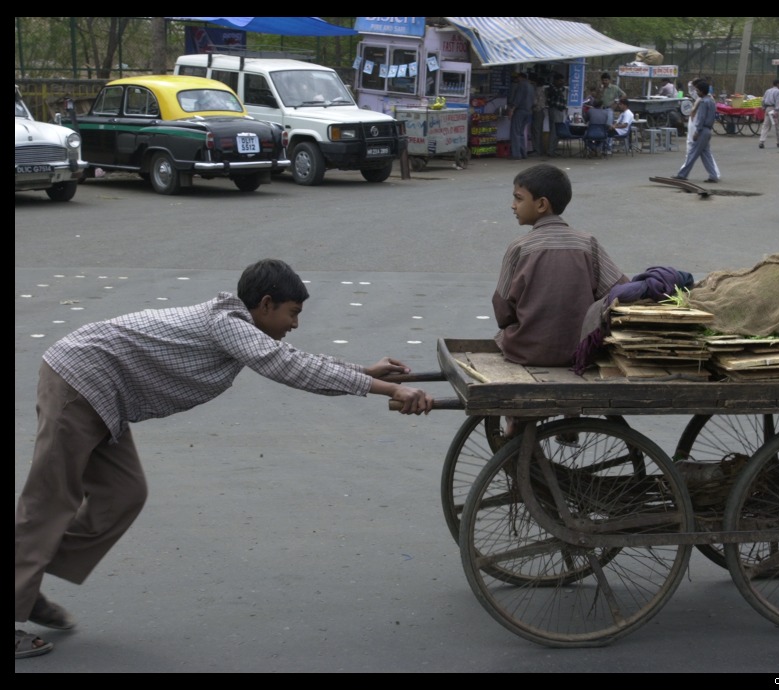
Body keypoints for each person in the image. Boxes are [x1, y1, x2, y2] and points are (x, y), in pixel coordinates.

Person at [14, 259, 434, 659]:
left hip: (105, 395)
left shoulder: (238, 327)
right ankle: (19, 589)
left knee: (124, 494)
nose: (295, 324)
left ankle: (24, 582)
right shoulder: (228, 325)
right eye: (292, 313)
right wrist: (389, 390)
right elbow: (289, 366)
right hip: (80, 379)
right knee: (49, 503)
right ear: (265, 304)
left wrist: (364, 372)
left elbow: (303, 363)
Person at [493, 164, 628, 367]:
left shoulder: (519, 247)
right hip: (581, 351)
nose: (513, 205)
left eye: (518, 198)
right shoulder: (587, 243)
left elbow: (503, 310)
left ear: (541, 205)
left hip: (526, 352)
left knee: (502, 335)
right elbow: (619, 291)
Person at [673, 80, 719, 183]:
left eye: (698, 90)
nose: (697, 92)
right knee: (705, 154)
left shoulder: (703, 102)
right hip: (708, 130)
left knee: (692, 153)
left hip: (702, 131)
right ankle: (713, 175)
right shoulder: (711, 101)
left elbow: (701, 118)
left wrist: (697, 131)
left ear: (702, 92)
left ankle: (682, 175)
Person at [507, 72, 534, 160]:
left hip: (520, 111)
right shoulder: (531, 86)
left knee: (515, 133)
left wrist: (512, 109)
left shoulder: (521, 85)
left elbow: (517, 99)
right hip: (528, 111)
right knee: (522, 133)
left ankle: (516, 154)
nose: (517, 79)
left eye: (517, 77)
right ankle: (523, 153)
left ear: (521, 77)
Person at [545, 74, 568, 158]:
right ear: (555, 81)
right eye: (560, 81)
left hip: (561, 110)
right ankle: (550, 150)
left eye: (562, 81)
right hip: (554, 109)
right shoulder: (551, 88)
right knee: (554, 131)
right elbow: (554, 94)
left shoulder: (562, 89)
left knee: (558, 131)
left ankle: (554, 149)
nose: (561, 82)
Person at [758, 79, 779, 149]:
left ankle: (761, 141)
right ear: (778, 84)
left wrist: (763, 107)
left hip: (767, 108)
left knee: (766, 125)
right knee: (777, 126)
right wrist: (777, 110)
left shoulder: (768, 90)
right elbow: (778, 102)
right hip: (774, 109)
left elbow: (763, 100)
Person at [530, 75, 547, 157]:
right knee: (539, 131)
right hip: (542, 111)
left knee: (536, 131)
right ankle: (540, 149)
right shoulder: (543, 90)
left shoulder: (537, 90)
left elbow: (534, 102)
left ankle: (536, 150)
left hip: (537, 111)